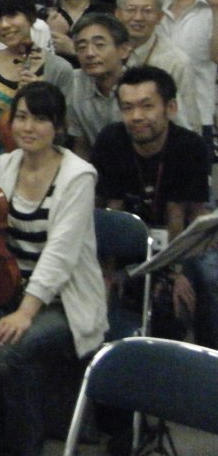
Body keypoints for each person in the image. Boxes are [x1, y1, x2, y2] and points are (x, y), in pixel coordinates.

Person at [0, 81, 107, 456]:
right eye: (20, 117)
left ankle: (25, 447)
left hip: (62, 302)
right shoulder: (4, 165)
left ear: (58, 126)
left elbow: (60, 255)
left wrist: (26, 313)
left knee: (8, 351)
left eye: (39, 119)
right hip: (8, 292)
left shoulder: (78, 175)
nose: (28, 127)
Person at [91, 66, 208, 341]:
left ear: (170, 108)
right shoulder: (111, 140)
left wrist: (176, 273)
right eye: (127, 108)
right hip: (125, 248)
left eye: (147, 106)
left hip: (177, 244)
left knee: (189, 291)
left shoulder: (189, 146)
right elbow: (111, 211)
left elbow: (183, 216)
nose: (136, 116)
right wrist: (107, 273)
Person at [0, 0, 73, 162]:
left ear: (29, 16)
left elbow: (64, 133)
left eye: (12, 15)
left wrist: (41, 99)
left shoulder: (60, 70)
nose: (5, 25)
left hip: (39, 167)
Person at [115, 0, 201, 133]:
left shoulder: (176, 61)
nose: (138, 17)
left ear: (160, 16)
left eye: (147, 11)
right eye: (131, 10)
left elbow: (189, 124)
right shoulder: (107, 52)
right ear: (118, 14)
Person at [158, 0, 218, 145]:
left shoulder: (211, 11)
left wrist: (216, 9)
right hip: (154, 117)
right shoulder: (154, 8)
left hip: (197, 115)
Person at [67, 13, 131, 158]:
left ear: (123, 50)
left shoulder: (143, 85)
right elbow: (81, 143)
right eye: (82, 47)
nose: (89, 53)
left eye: (99, 45)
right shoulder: (74, 83)